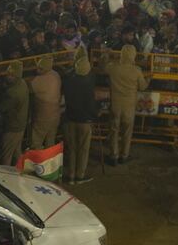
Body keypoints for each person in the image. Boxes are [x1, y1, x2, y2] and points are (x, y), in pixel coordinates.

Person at [105, 44, 148, 165]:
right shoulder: (137, 71)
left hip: (115, 106)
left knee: (114, 130)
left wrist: (107, 54)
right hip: (129, 107)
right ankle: (124, 156)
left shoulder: (113, 68)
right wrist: (149, 79)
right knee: (127, 132)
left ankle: (113, 156)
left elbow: (103, 67)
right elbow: (143, 87)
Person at [62, 54, 97, 184]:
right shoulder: (89, 83)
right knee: (83, 149)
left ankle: (70, 175)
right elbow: (91, 105)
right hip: (84, 121)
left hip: (70, 118)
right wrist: (94, 116)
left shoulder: (69, 81)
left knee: (72, 148)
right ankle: (79, 176)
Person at [0, 61, 29, 166]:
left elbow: (2, 107)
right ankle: (20, 174)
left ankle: (5, 177)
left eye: (11, 75)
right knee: (16, 152)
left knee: (6, 155)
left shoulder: (13, 92)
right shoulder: (22, 83)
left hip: (12, 126)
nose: (8, 77)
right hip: (20, 124)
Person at [29, 55, 61, 149]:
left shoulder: (39, 80)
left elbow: (29, 88)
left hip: (42, 117)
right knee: (50, 142)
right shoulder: (56, 75)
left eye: (40, 68)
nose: (37, 70)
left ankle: (37, 163)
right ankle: (50, 163)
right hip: (55, 116)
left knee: (36, 143)